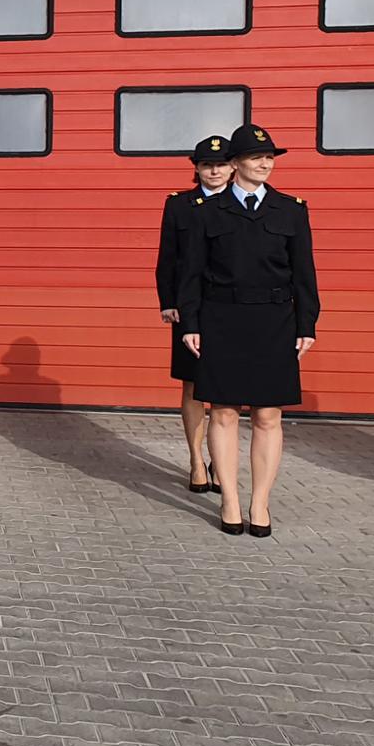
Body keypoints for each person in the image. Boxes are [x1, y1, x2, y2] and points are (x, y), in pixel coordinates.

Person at [178, 124, 318, 538]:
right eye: (257, 157)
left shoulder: (291, 210)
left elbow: (305, 273)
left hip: (275, 322)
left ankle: (260, 504)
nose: (266, 163)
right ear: (236, 163)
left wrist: (306, 322)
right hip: (221, 318)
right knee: (222, 412)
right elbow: (191, 274)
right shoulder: (207, 213)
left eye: (270, 157)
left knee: (268, 416)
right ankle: (230, 501)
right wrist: (191, 323)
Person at [157, 135, 232, 493]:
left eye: (220, 163)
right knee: (192, 386)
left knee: (225, 387)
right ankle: (196, 460)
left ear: (233, 166)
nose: (214, 170)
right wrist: (168, 301)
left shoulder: (246, 203)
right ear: (197, 168)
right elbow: (168, 257)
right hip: (190, 305)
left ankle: (222, 459)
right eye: (206, 164)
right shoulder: (179, 205)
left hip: (231, 307)